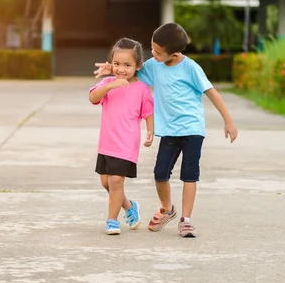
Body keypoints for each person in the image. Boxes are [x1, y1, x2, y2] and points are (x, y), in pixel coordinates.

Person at [94, 23, 238, 238]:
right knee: (160, 174)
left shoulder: (191, 68)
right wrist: (112, 71)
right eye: (152, 49)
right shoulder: (154, 65)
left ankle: (186, 220)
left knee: (190, 175)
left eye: (158, 52)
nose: (153, 54)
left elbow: (211, 93)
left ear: (175, 53)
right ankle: (167, 209)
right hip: (169, 130)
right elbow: (130, 69)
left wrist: (228, 120)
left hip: (192, 129)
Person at [89, 38, 154, 235]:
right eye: (117, 64)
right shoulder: (108, 83)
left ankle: (112, 220)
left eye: (127, 65)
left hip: (126, 144)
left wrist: (150, 130)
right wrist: (110, 85)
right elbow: (93, 97)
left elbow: (148, 112)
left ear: (138, 66)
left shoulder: (142, 89)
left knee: (117, 181)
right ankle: (129, 206)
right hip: (107, 143)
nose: (121, 69)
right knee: (106, 182)